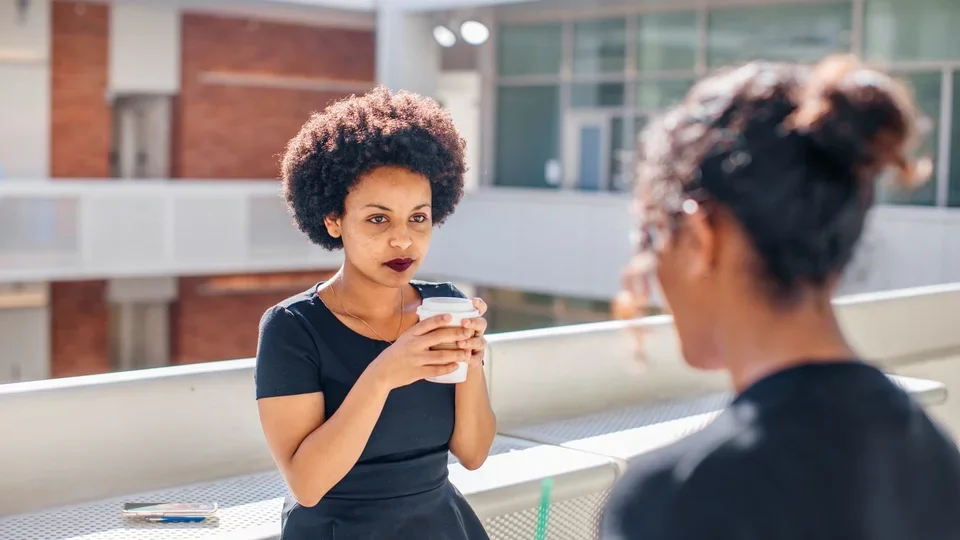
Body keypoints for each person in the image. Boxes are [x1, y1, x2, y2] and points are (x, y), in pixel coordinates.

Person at [601, 54, 960, 539]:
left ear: (702, 236)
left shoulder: (678, 500)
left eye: (652, 237)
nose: (650, 269)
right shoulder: (937, 458)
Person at [255, 86, 496, 540]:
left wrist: (472, 361)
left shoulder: (444, 305)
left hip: (440, 526)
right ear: (333, 220)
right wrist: (385, 372)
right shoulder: (293, 328)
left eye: (418, 218)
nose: (403, 241)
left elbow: (474, 453)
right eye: (378, 219)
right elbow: (307, 484)